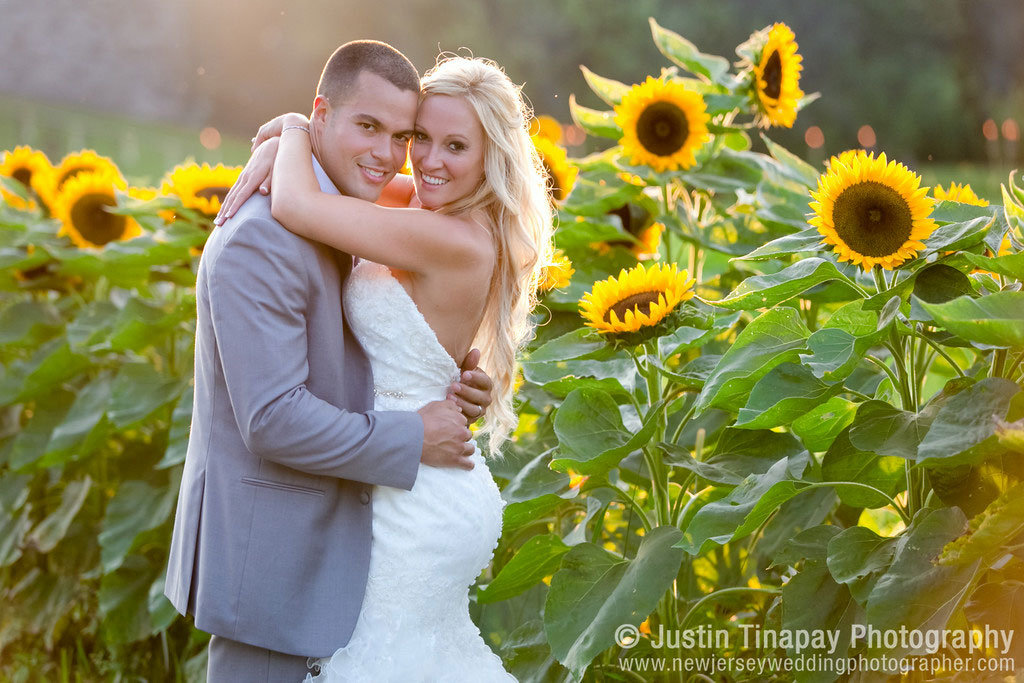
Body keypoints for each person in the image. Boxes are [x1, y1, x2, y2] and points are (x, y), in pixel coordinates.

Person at [164, 41, 496, 683]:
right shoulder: (263, 237)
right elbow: (273, 420)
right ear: (322, 114)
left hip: (343, 542)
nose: (386, 154)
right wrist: (415, 433)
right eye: (368, 126)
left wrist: (443, 374)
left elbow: (359, 344)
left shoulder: (347, 211)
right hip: (274, 561)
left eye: (402, 135)